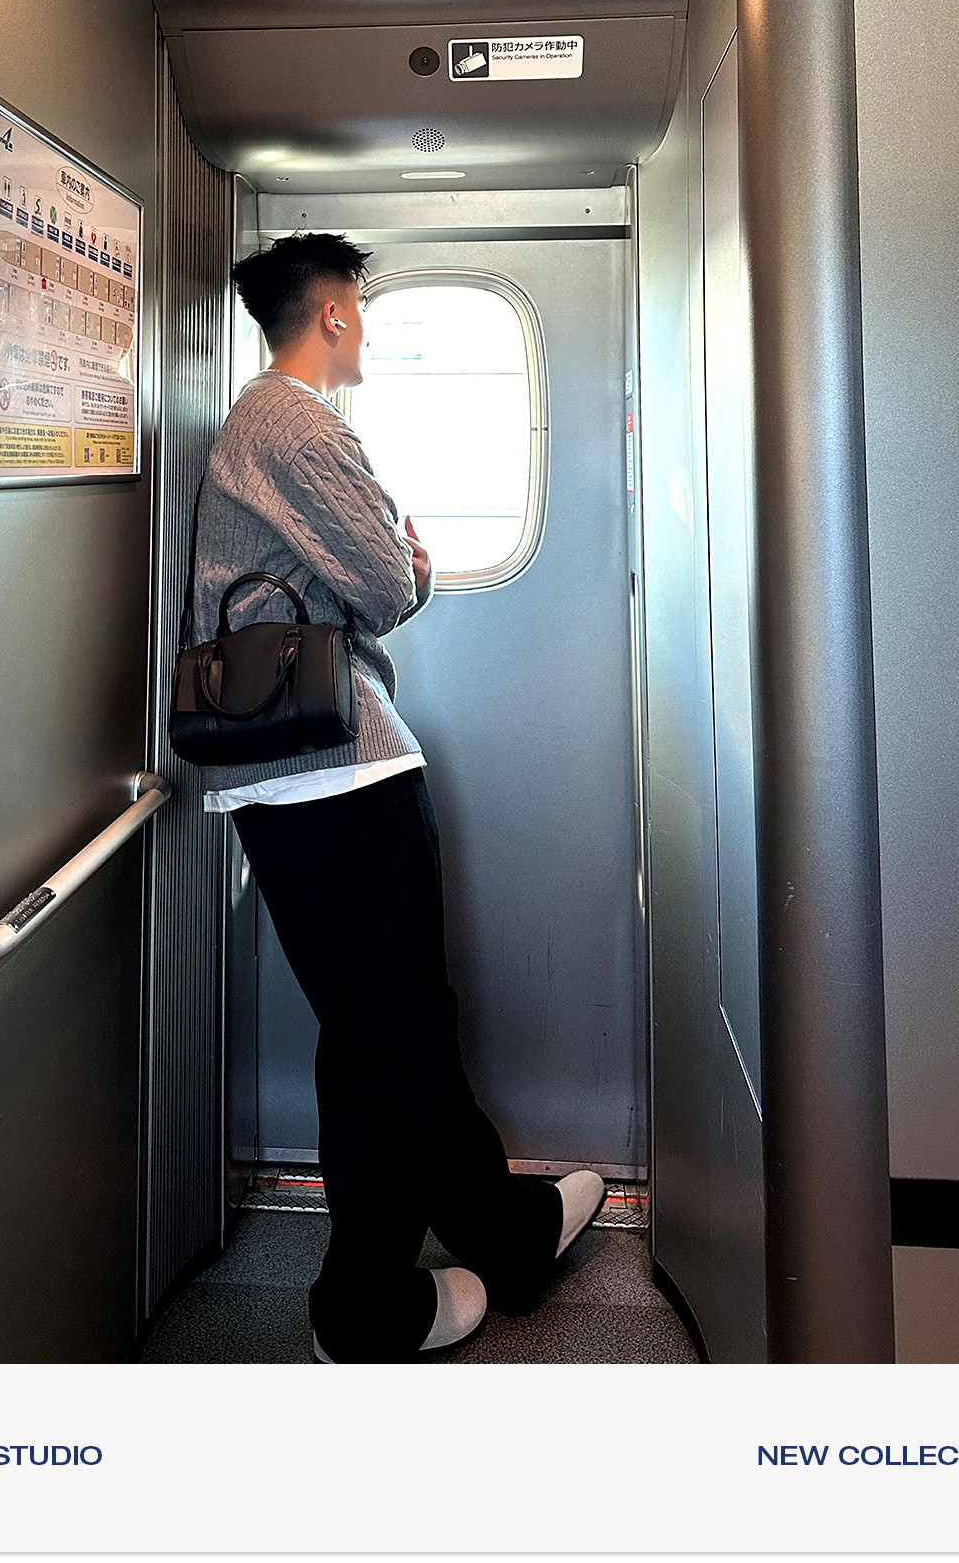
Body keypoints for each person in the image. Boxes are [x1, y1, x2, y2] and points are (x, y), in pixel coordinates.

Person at [189, 231, 606, 1363]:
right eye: (360, 309)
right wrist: (411, 566)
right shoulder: (297, 424)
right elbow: (383, 582)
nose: (365, 329)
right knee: (389, 1035)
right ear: (332, 313)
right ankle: (364, 1308)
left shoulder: (265, 424)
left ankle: (504, 1234)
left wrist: (393, 562)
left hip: (307, 777)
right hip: (336, 773)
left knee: (394, 1027)